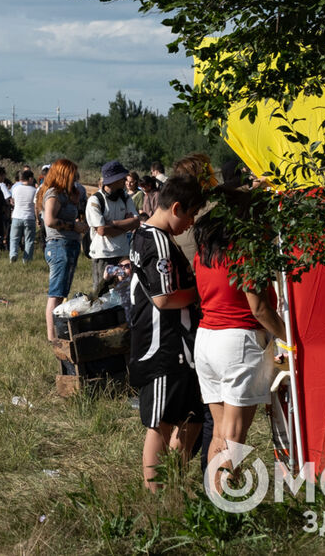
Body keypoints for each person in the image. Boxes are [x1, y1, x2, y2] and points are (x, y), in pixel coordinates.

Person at [192, 190, 284, 491]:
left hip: (206, 341)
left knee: (220, 432)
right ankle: (225, 506)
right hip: (237, 343)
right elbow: (259, 308)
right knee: (234, 439)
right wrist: (291, 338)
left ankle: (212, 501)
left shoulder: (205, 249)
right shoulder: (246, 251)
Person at [128, 175, 207, 492]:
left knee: (189, 420)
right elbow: (164, 298)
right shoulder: (158, 241)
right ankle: (156, 494)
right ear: (175, 208)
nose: (189, 224)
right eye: (189, 216)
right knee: (160, 425)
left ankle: (171, 485)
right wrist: (201, 292)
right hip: (163, 347)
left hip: (178, 346)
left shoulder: (146, 233)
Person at [37, 159, 88, 342]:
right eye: (73, 173)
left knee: (61, 292)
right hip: (59, 245)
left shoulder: (66, 194)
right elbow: (50, 220)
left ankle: (57, 334)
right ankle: (53, 338)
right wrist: (73, 227)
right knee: (56, 293)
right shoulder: (53, 194)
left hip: (67, 245)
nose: (76, 176)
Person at [86, 160, 140, 294]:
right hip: (103, 255)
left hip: (122, 253)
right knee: (101, 294)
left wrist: (113, 224)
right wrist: (126, 224)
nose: (125, 180)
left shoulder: (126, 197)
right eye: (122, 178)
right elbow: (102, 230)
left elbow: (136, 221)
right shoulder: (95, 200)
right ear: (113, 180)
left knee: (124, 293)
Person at [9, 169, 37, 264]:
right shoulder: (34, 190)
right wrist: (37, 218)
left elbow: (13, 201)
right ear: (30, 179)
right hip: (29, 217)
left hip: (17, 216)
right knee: (29, 240)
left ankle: (13, 253)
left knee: (14, 238)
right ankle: (27, 260)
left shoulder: (15, 188)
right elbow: (36, 206)